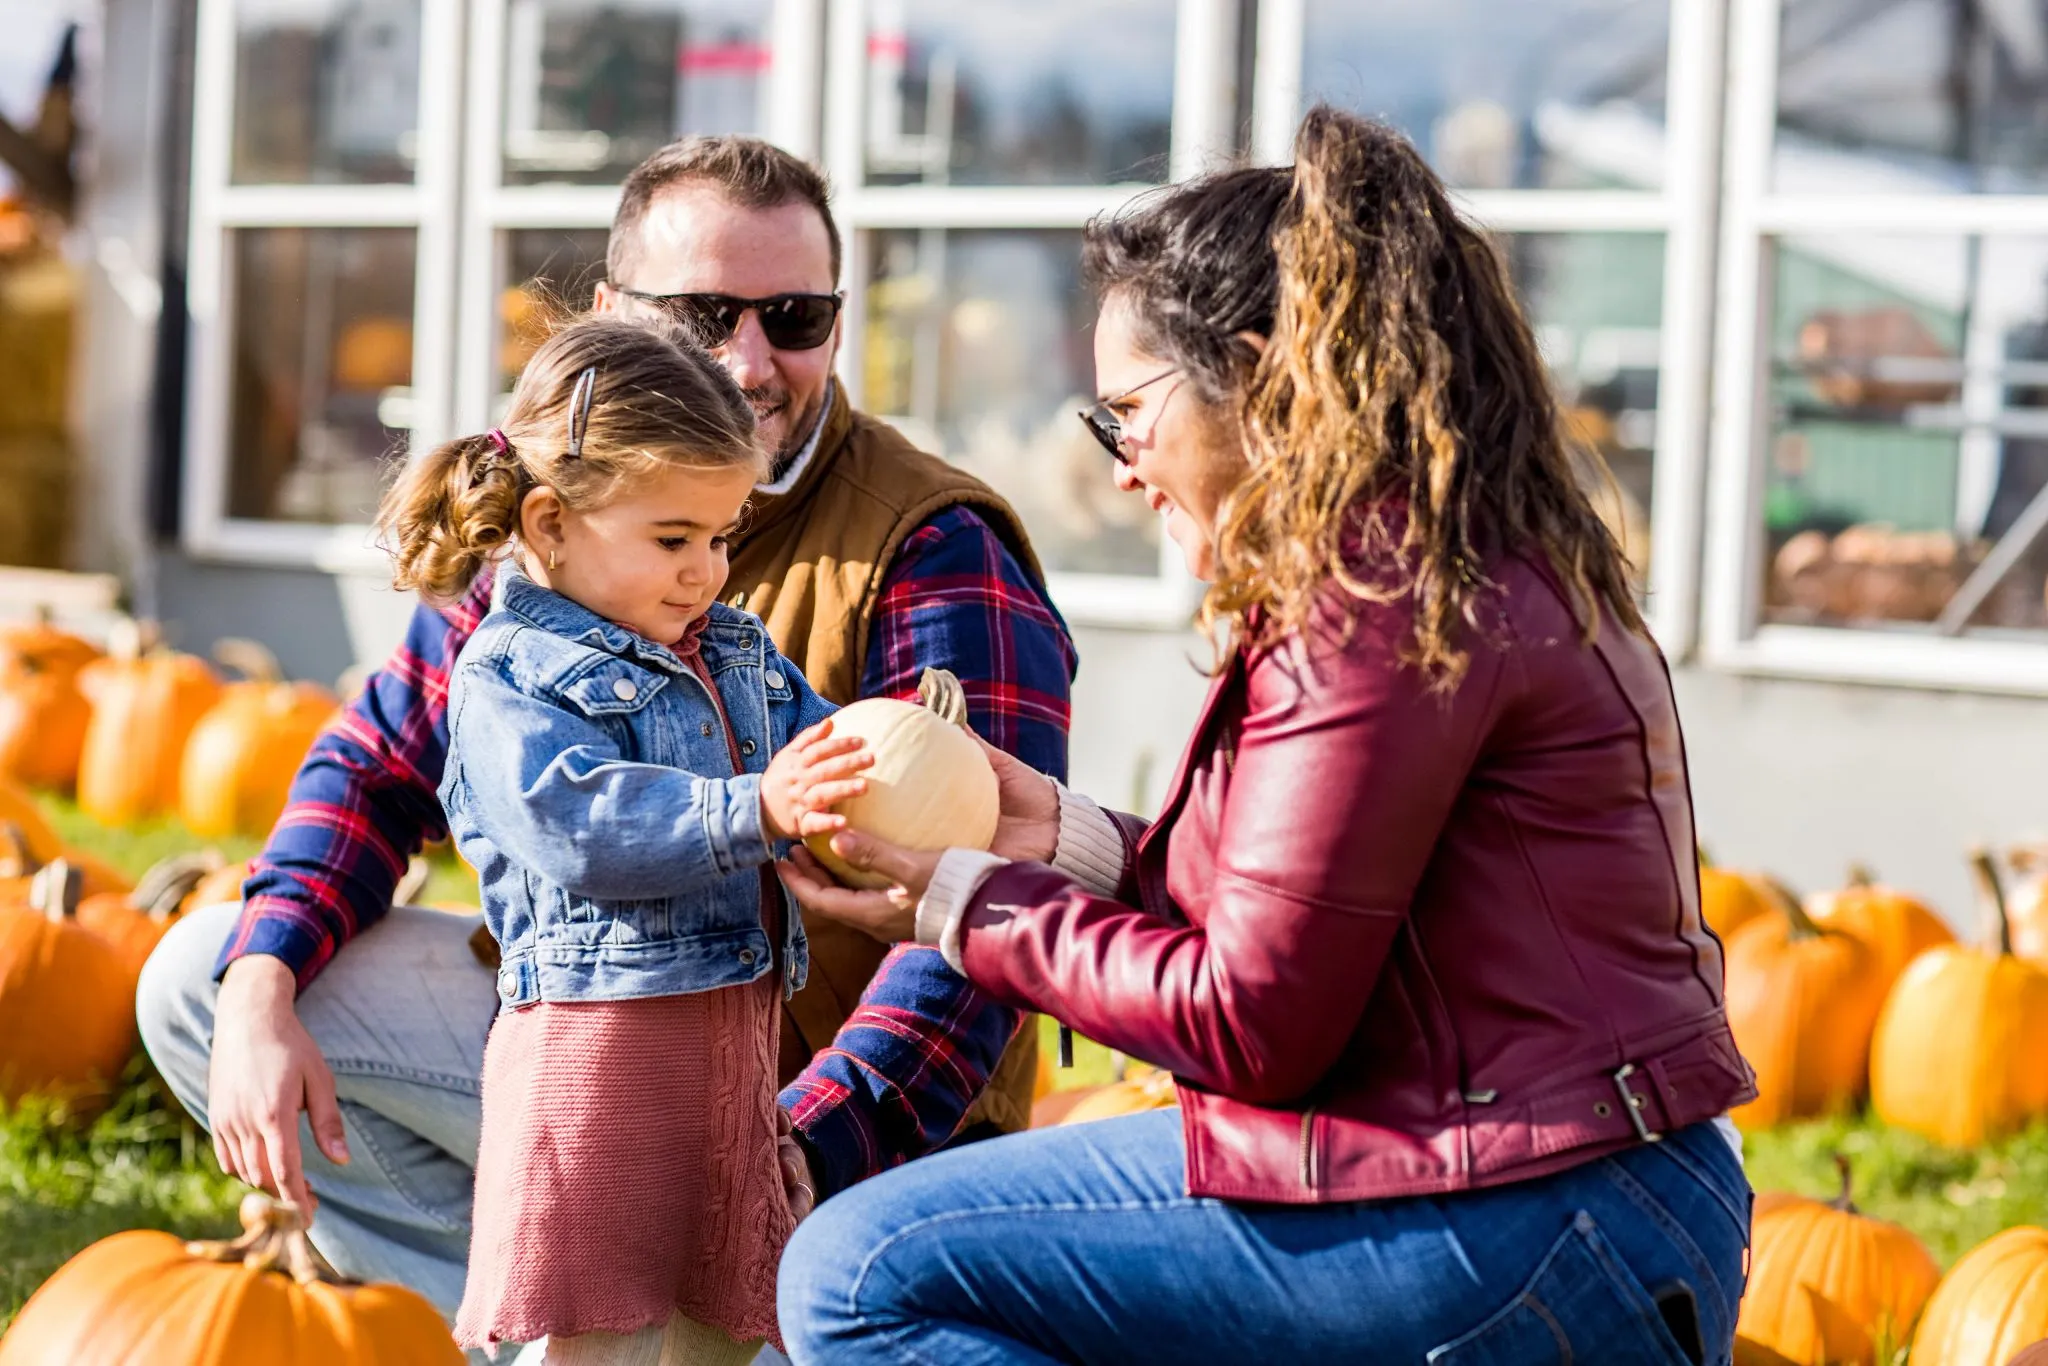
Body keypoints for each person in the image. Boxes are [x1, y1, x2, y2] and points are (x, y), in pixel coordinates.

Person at [775, 106, 1757, 1365]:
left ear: (1257, 380)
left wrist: (966, 901)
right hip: (1569, 1192)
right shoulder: (1432, 562)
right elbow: (1300, 917)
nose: (1123, 466)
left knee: (858, 1274)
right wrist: (1059, 840)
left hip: (1528, 1217)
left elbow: (1254, 1022)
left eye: (1126, 412)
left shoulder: (1376, 603)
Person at [135, 135, 1075, 1324]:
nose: (749, 360)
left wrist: (812, 1142)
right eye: (703, 314)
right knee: (204, 982)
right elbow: (379, 771)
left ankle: (745, 1308)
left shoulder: (933, 547)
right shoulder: (559, 509)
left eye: (794, 314)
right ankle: (537, 1316)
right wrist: (265, 986)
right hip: (597, 1025)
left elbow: (981, 909)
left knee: (719, 1264)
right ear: (608, 317)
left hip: (833, 1111)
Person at [382, 316, 863, 1363]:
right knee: (596, 1334)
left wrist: (889, 759)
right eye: (674, 539)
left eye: (724, 536)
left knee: (716, 1328)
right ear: (550, 523)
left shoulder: (727, 645)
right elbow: (582, 824)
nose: (707, 570)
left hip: (726, 1058)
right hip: (598, 1066)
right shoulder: (509, 673)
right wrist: (756, 810)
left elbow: (819, 739)